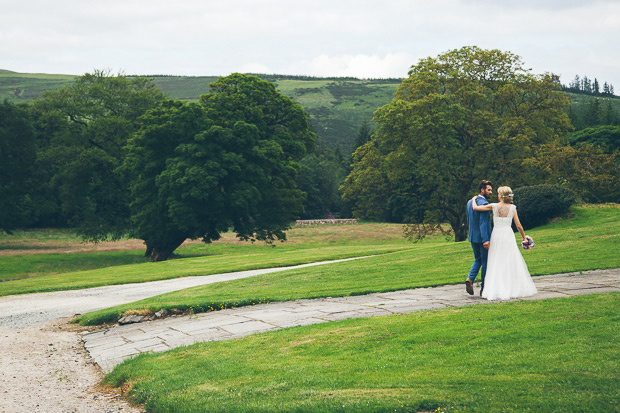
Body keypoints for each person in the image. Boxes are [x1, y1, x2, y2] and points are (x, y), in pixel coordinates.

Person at [471, 186, 537, 300]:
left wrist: (473, 199)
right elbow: (518, 225)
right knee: (510, 259)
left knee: (496, 260)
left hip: (497, 234)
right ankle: (512, 287)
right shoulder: (512, 208)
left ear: (500, 196)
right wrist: (524, 237)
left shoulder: (494, 206)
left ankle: (496, 288)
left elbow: (475, 208)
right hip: (508, 235)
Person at [465, 180, 493, 296]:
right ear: (482, 190)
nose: (491, 192)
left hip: (473, 237)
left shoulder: (470, 202)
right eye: (489, 190)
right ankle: (483, 289)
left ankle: (470, 279)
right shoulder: (484, 204)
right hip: (482, 238)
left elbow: (469, 221)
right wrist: (485, 239)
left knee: (478, 260)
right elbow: (483, 223)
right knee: (485, 262)